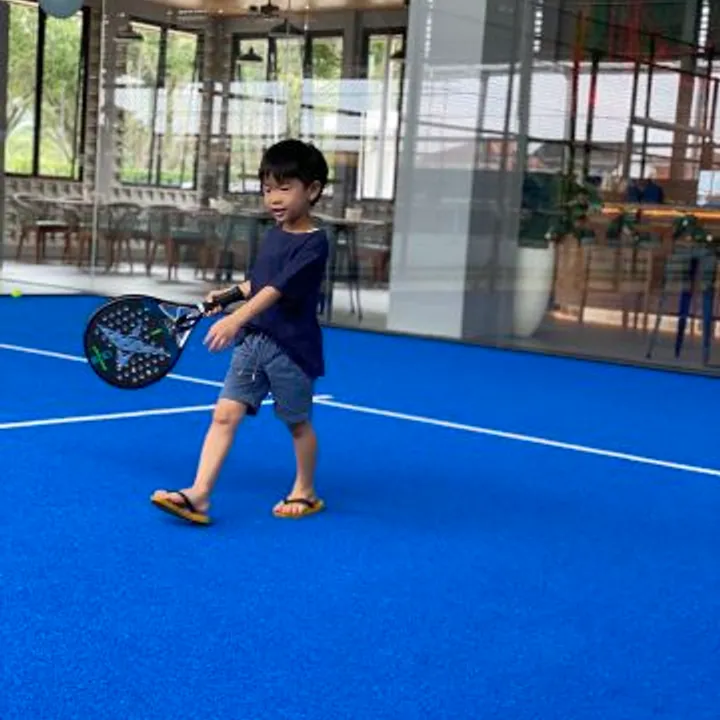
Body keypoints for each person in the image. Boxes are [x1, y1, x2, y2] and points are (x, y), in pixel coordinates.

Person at [150, 139, 330, 525]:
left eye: (285, 188)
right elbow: (258, 282)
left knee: (297, 423)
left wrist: (235, 319)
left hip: (291, 349)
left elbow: (276, 289)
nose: (274, 198)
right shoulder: (275, 234)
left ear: (312, 190)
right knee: (224, 414)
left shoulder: (315, 244)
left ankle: (305, 490)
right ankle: (199, 495)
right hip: (254, 343)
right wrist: (228, 297)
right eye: (267, 189)